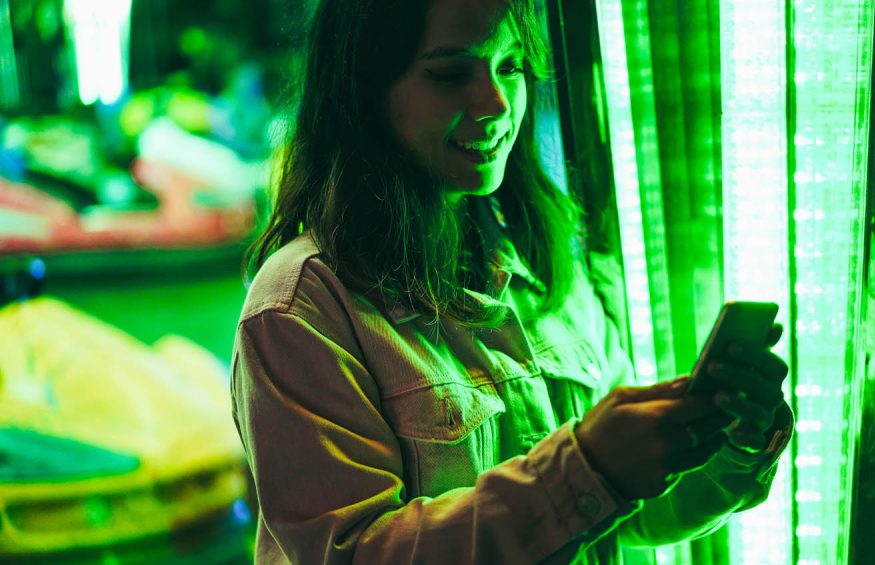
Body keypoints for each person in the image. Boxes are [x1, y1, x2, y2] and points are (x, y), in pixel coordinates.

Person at [231, 0, 794, 563]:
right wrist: (588, 470)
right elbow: (352, 554)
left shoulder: (550, 264)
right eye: (451, 73)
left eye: (512, 65)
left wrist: (727, 446)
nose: (497, 103)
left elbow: (625, 521)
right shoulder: (302, 310)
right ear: (363, 88)